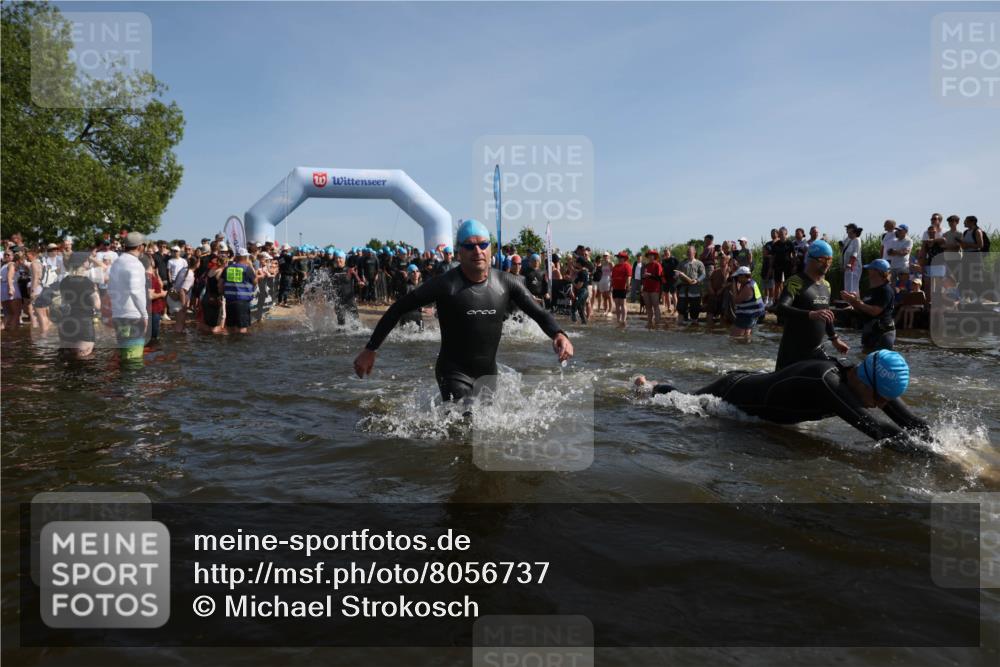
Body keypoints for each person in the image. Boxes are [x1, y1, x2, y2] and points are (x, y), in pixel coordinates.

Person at [353, 219, 573, 403]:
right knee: (467, 423)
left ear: (490, 249)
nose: (477, 251)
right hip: (453, 373)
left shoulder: (507, 282)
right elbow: (397, 309)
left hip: (488, 375)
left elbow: (538, 313)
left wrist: (558, 334)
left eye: (483, 244)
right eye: (469, 246)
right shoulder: (445, 284)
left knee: (487, 431)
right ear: (459, 252)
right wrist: (370, 349)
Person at [636, 350, 930, 452]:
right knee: (683, 403)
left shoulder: (869, 383)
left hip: (756, 383)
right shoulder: (828, 382)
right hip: (734, 393)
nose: (881, 405)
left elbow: (912, 423)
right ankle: (649, 386)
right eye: (880, 399)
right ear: (865, 381)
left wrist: (949, 449)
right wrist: (936, 460)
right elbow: (879, 430)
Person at [774, 240, 850, 370]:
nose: (827, 264)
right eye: (823, 259)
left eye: (830, 260)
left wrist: (835, 339)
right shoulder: (795, 282)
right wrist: (810, 314)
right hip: (792, 354)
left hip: (815, 352)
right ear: (810, 259)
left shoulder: (826, 285)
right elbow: (781, 308)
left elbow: (826, 315)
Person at [108, 232, 148, 362]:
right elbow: (135, 291)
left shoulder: (117, 262)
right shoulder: (135, 264)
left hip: (118, 315)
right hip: (133, 316)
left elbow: (110, 288)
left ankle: (124, 375)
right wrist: (144, 315)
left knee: (124, 354)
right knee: (133, 358)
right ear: (140, 246)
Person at [841, 258, 895, 352]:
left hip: (882, 333)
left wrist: (857, 302)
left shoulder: (886, 290)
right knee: (865, 357)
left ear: (877, 272)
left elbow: (875, 311)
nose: (868, 272)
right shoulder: (871, 290)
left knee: (878, 359)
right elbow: (863, 309)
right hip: (870, 331)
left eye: (870, 269)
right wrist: (851, 301)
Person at [56, 253, 99, 358]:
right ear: (83, 263)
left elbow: (62, 302)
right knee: (84, 359)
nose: (89, 262)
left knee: (66, 359)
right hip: (83, 323)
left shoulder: (64, 281)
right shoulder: (87, 282)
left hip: (66, 322)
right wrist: (96, 291)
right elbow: (97, 305)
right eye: (87, 260)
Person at [223, 248, 257, 334]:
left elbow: (220, 284)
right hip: (242, 301)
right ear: (246, 257)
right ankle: (240, 342)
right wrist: (251, 266)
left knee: (230, 327)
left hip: (229, 301)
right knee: (242, 328)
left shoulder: (228, 268)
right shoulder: (247, 269)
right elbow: (255, 281)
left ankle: (230, 342)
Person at [729, 266, 765, 341]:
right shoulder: (751, 283)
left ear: (743, 276)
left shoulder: (748, 287)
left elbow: (736, 300)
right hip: (753, 314)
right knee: (745, 337)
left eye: (737, 277)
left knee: (733, 337)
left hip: (748, 315)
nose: (737, 279)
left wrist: (734, 285)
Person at [675, 245, 706, 324]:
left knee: (695, 310)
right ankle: (680, 326)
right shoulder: (682, 263)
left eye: (690, 252)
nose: (688, 253)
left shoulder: (699, 263)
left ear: (694, 252)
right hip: (683, 289)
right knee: (681, 309)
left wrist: (697, 280)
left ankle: (694, 327)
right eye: (687, 252)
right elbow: (676, 272)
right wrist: (676, 275)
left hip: (695, 289)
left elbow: (703, 274)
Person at [640, 249, 663, 329]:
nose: (650, 256)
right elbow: (643, 277)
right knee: (648, 306)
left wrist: (650, 275)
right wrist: (642, 282)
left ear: (655, 256)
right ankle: (649, 322)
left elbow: (659, 278)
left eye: (652, 255)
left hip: (655, 289)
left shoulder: (657, 265)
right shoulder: (646, 265)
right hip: (646, 288)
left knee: (655, 306)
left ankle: (657, 323)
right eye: (649, 255)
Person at [2, 250, 23, 330]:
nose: (6, 256)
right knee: (16, 313)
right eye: (5, 255)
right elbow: (9, 277)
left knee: (7, 314)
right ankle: (13, 333)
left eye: (8, 255)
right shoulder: (11, 264)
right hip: (11, 287)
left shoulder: (3, 266)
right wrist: (11, 288)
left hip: (3, 288)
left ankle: (4, 332)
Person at [610, 251, 632, 327]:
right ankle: (618, 320)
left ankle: (624, 320)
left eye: (621, 257)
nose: (619, 258)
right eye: (618, 257)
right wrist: (611, 286)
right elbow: (612, 277)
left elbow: (629, 276)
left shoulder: (627, 266)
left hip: (623, 287)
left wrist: (628, 286)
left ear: (624, 258)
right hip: (615, 287)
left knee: (623, 304)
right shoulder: (615, 266)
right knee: (617, 304)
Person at [842, 223, 863, 295]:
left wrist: (850, 264)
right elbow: (842, 245)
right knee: (848, 286)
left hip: (854, 267)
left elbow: (855, 253)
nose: (848, 233)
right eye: (847, 231)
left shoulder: (857, 240)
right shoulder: (849, 239)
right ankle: (849, 300)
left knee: (853, 287)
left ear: (854, 232)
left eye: (850, 232)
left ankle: (853, 301)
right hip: (847, 267)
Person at [571, 255, 591, 324]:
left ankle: (574, 324)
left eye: (576, 262)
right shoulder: (583, 271)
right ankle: (584, 324)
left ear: (579, 263)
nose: (575, 263)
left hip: (582, 292)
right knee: (580, 309)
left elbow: (578, 286)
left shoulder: (582, 273)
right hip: (583, 292)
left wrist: (571, 281)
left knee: (574, 308)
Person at [660, 248, 679, 314]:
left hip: (673, 279)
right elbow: (661, 270)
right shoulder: (663, 261)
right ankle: (669, 308)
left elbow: (679, 267)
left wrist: (676, 275)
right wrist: (662, 278)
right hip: (665, 279)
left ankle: (676, 309)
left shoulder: (674, 259)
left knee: (673, 294)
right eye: (665, 253)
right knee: (666, 294)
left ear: (670, 253)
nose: (666, 254)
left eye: (667, 252)